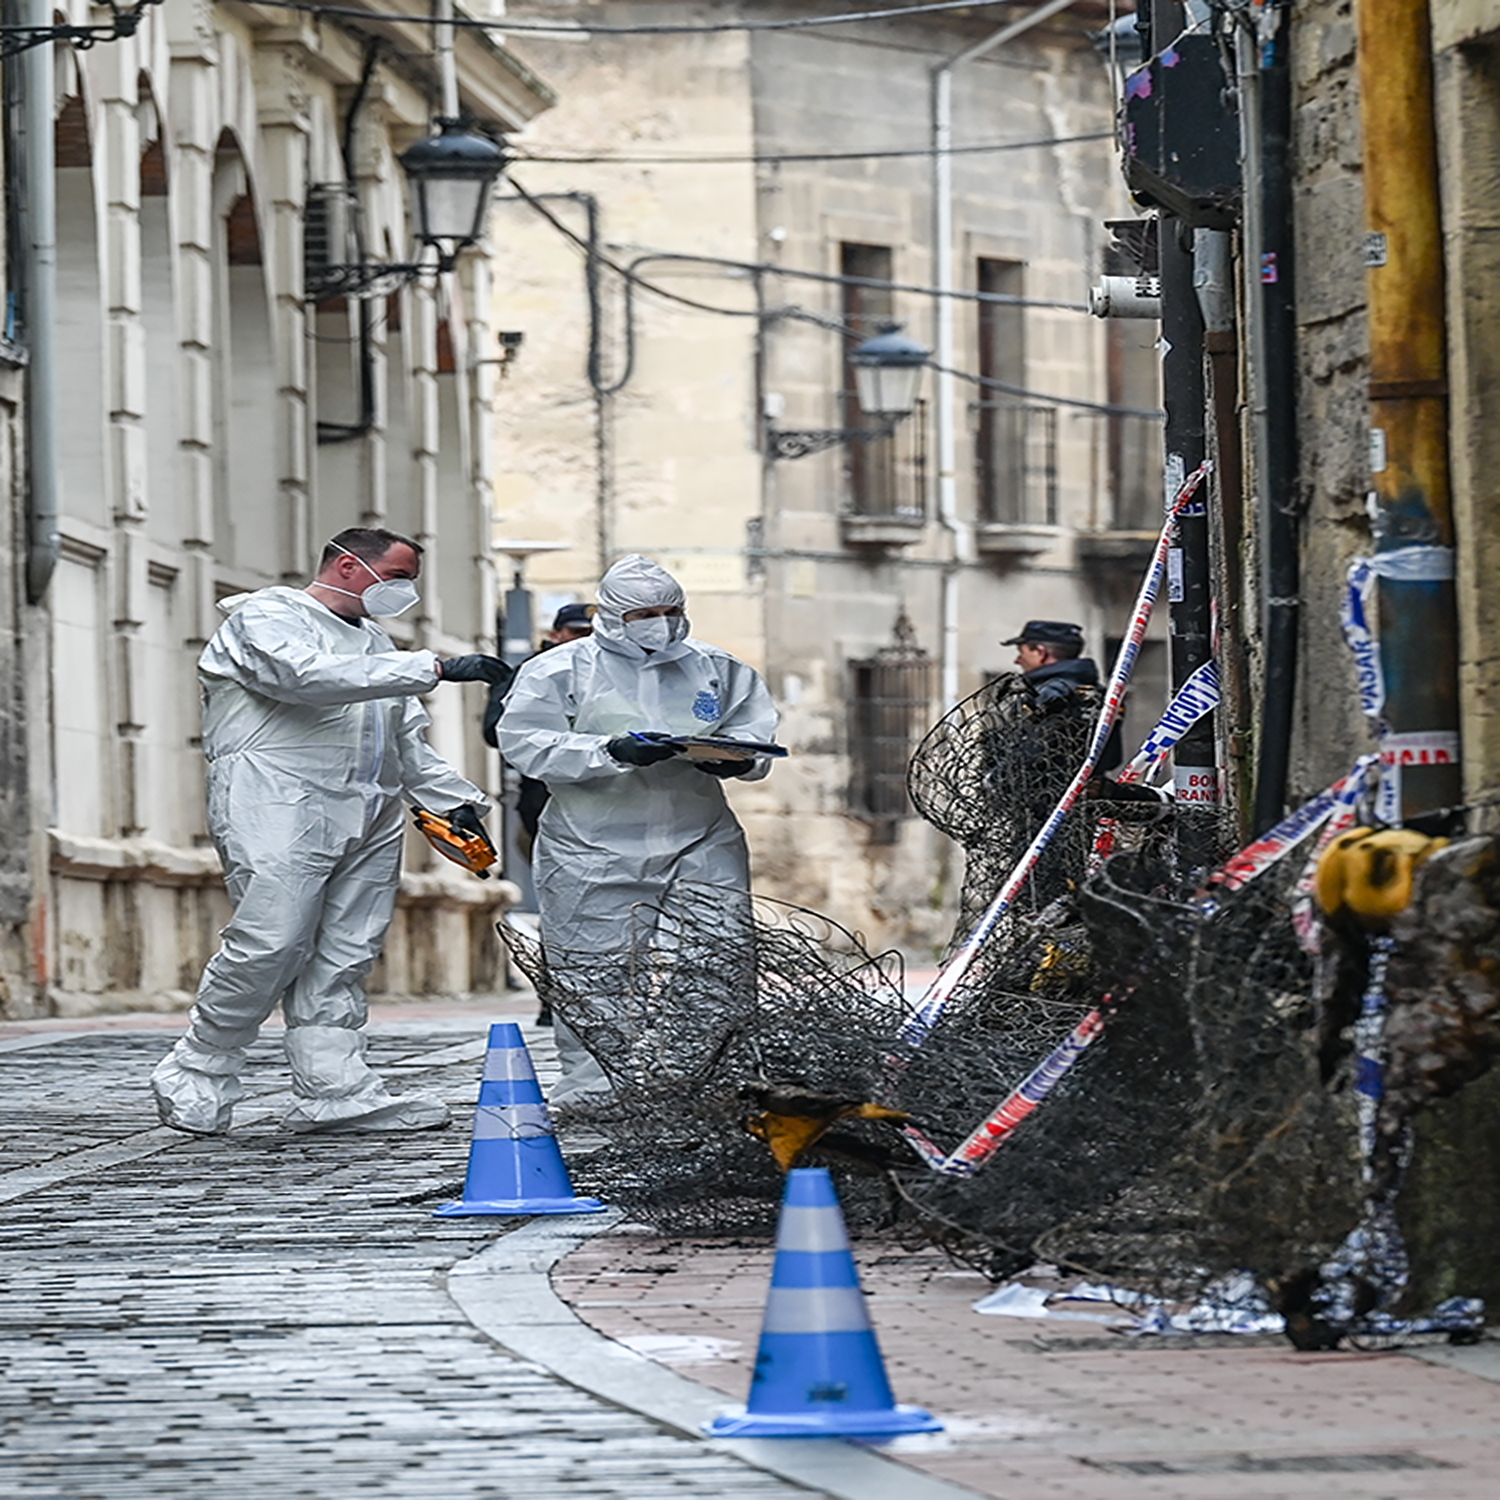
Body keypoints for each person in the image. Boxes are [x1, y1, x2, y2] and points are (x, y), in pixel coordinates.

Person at [150, 527, 510, 1135]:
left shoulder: (375, 640)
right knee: (271, 941)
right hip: (277, 798)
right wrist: (437, 666)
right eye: (396, 577)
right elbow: (301, 678)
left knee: (346, 950)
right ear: (347, 567)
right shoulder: (266, 617)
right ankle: (198, 1068)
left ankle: (335, 1088)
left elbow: (403, 741)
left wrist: (453, 803)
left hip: (367, 808)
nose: (404, 592)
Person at [496, 555, 778, 1102]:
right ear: (612, 615)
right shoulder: (560, 670)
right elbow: (525, 742)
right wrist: (609, 751)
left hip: (699, 833)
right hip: (591, 841)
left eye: (672, 610)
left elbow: (754, 728)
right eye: (646, 613)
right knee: (593, 967)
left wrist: (739, 760)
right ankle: (596, 1086)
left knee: (717, 956)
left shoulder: (716, 668)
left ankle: (703, 1079)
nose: (662, 622)